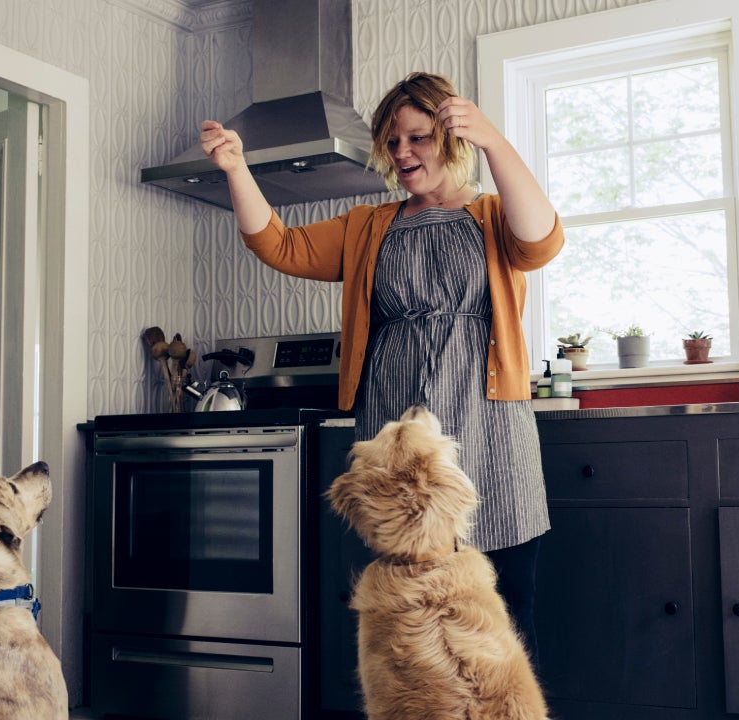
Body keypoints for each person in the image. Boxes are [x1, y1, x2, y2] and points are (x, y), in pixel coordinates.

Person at [201, 71, 563, 663]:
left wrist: (496, 142)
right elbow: (279, 245)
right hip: (396, 448)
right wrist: (238, 169)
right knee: (406, 616)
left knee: (503, 611)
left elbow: (542, 241)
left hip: (491, 440)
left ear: (452, 137)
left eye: (417, 137)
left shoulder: (495, 215)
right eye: (393, 143)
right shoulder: (369, 226)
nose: (402, 153)